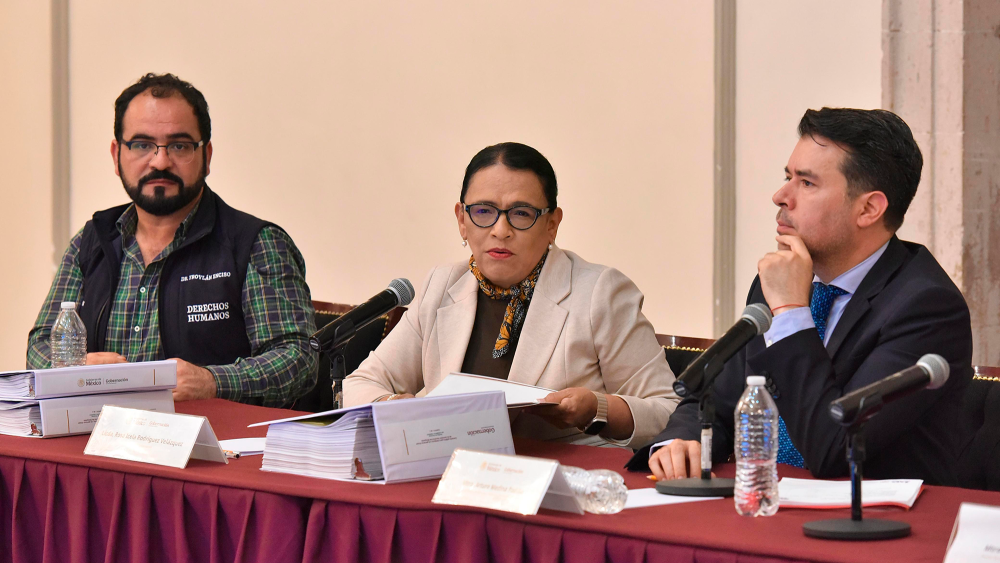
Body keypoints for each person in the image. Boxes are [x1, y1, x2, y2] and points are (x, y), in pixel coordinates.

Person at [629, 108, 973, 486]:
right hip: (766, 501)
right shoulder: (781, 279)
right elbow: (714, 399)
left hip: (871, 514)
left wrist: (792, 311)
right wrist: (683, 441)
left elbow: (833, 448)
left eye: (807, 183)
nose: (780, 196)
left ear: (869, 209)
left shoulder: (926, 307)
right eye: (787, 177)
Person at [344, 142, 679, 447]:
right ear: (462, 220)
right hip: (449, 475)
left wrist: (598, 408)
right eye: (483, 211)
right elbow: (361, 383)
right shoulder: (442, 285)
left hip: (558, 481)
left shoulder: (598, 293)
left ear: (552, 224)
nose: (500, 230)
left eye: (521, 213)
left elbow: (668, 411)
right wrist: (392, 406)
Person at [26, 73, 317, 408]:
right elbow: (40, 346)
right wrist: (70, 369)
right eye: (142, 145)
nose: (160, 161)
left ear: (206, 156)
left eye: (179, 146)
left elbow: (298, 359)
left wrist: (213, 382)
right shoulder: (91, 241)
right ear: (116, 155)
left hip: (210, 436)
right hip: (97, 431)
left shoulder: (255, 245)